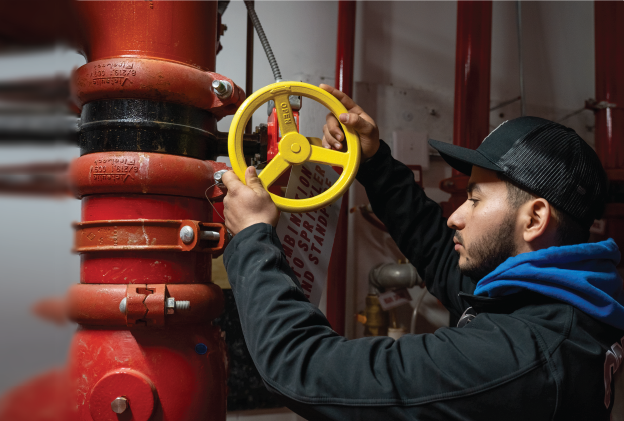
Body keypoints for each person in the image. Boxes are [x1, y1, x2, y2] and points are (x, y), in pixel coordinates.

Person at [220, 84, 624, 420]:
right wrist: (374, 162)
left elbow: (302, 368)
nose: (455, 217)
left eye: (475, 199)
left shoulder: (519, 357)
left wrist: (253, 236)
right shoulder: (561, 303)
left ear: (534, 219)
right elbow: (439, 254)